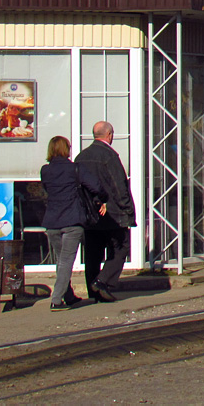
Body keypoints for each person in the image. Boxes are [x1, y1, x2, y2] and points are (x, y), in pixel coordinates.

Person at [40, 135, 105, 312]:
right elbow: (96, 186)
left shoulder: (45, 170)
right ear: (66, 149)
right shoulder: (75, 169)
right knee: (66, 261)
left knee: (61, 261)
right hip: (72, 220)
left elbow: (47, 189)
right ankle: (56, 299)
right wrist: (101, 199)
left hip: (52, 222)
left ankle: (68, 296)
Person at [75, 121, 135, 303]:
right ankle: (102, 282)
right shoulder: (109, 157)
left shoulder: (80, 157)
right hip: (112, 213)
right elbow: (119, 186)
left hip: (89, 214)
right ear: (109, 135)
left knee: (93, 253)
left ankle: (94, 291)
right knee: (120, 247)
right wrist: (127, 208)